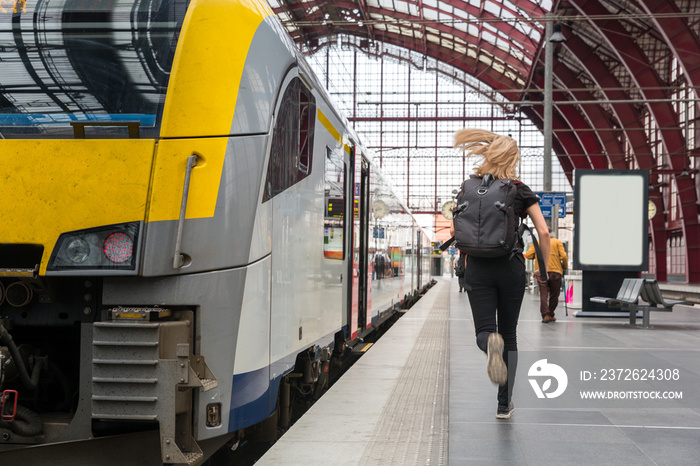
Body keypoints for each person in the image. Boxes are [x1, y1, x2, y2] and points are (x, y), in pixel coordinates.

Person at [450, 129, 549, 420]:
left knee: (486, 332)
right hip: (511, 267)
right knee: (510, 335)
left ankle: (488, 344)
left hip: (477, 267)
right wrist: (543, 267)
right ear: (512, 158)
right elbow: (543, 231)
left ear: (487, 154)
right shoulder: (518, 188)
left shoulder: (468, 186)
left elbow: (460, 227)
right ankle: (504, 404)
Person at [524, 228, 568, 323]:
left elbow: (528, 255)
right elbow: (564, 256)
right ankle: (551, 313)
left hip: (542, 271)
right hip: (556, 272)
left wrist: (536, 256)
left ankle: (545, 315)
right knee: (554, 294)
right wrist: (564, 266)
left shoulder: (538, 243)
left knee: (543, 294)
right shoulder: (557, 242)